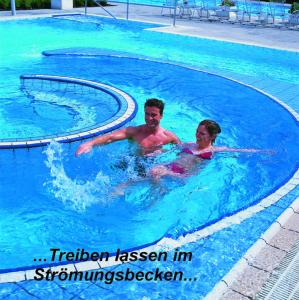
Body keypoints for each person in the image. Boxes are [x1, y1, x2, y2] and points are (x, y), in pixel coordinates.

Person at [150, 119, 265, 179]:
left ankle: (155, 200)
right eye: (197, 132)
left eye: (202, 134)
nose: (197, 135)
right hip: (168, 166)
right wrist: (159, 151)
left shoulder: (213, 150)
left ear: (212, 136)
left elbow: (238, 151)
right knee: (149, 173)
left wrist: (262, 152)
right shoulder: (189, 144)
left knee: (156, 175)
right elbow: (174, 149)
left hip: (182, 176)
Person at [76, 98, 181, 157]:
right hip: (129, 163)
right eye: (147, 114)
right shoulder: (135, 132)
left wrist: (164, 152)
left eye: (153, 115)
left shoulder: (169, 137)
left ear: (161, 116)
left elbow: (181, 151)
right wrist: (90, 143)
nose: (149, 118)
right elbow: (110, 137)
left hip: (151, 167)